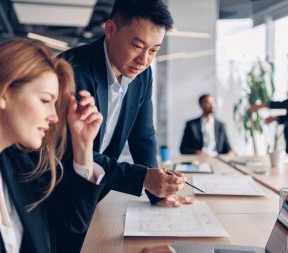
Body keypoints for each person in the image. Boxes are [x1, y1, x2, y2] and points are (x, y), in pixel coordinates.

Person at [0, 38, 104, 253]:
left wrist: (83, 146)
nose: (54, 117)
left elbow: (70, 227)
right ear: (4, 92)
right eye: (45, 101)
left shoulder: (15, 164)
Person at [59, 0, 192, 209]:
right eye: (137, 46)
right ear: (111, 30)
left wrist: (159, 194)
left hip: (96, 195)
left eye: (153, 50)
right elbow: (67, 151)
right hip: (58, 192)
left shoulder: (143, 75)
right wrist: (142, 178)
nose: (144, 60)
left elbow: (143, 136)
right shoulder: (70, 71)